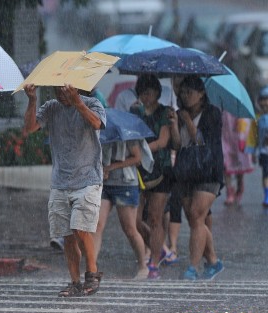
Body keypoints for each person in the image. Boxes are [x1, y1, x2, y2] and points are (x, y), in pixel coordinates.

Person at [23, 83, 105, 297]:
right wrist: (32, 100)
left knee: (80, 228)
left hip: (88, 178)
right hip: (60, 180)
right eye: (57, 90)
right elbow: (29, 128)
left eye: (66, 90)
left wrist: (77, 102)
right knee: (66, 234)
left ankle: (93, 273)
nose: (62, 95)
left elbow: (97, 124)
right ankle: (75, 281)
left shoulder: (92, 103)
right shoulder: (51, 107)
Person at [171, 75, 224, 281]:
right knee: (195, 219)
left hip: (209, 171)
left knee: (196, 213)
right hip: (185, 171)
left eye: (189, 93)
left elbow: (202, 143)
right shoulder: (180, 113)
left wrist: (187, 121)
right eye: (182, 92)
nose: (185, 96)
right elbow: (177, 145)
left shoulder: (212, 114)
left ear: (201, 94)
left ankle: (192, 267)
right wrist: (176, 123)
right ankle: (213, 261)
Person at [129, 74, 176, 279]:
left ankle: (154, 261)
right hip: (139, 171)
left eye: (149, 92)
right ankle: (160, 247)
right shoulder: (135, 112)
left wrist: (143, 150)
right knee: (135, 220)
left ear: (157, 92)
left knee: (155, 217)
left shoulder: (165, 112)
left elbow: (164, 141)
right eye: (142, 93)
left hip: (161, 170)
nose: (146, 97)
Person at [94, 139, 148, 280]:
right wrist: (102, 169)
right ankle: (91, 268)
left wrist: (112, 167)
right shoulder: (101, 131)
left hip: (125, 184)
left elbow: (137, 158)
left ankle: (143, 266)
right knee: (97, 226)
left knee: (130, 229)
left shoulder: (126, 132)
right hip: (104, 184)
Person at [221, 110, 253, 205]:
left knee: (239, 165)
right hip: (224, 137)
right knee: (225, 165)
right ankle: (229, 192)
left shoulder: (239, 105)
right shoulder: (221, 104)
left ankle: (240, 186)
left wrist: (243, 137)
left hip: (237, 137)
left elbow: (245, 121)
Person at [255, 86, 268, 207]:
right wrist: (254, 151)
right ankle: (266, 195)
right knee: (265, 173)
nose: (265, 102)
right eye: (262, 99)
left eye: (267, 99)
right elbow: (256, 137)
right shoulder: (258, 119)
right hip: (264, 152)